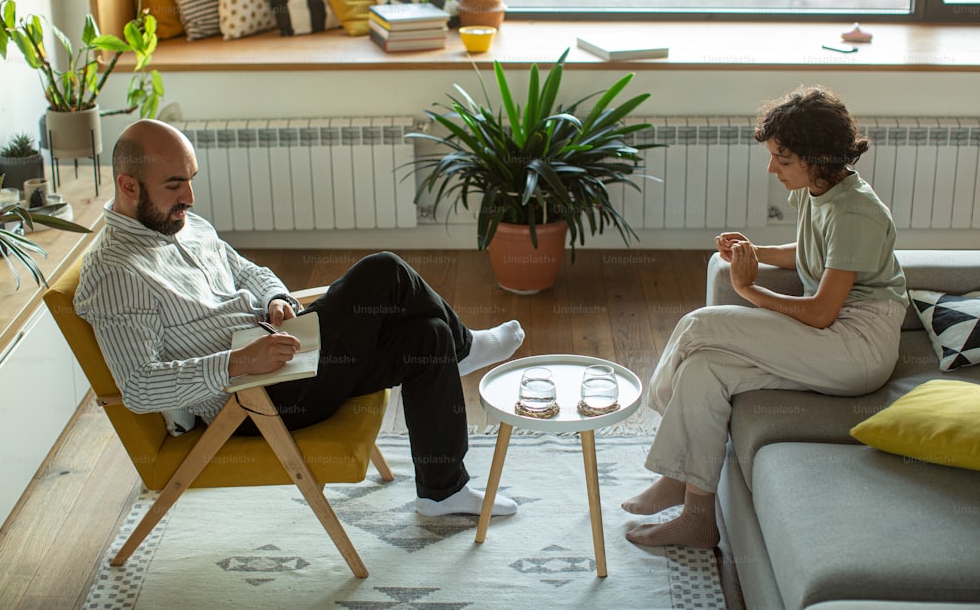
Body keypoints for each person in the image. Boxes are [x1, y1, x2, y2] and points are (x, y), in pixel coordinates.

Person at [75, 118, 526, 517]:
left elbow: (246, 270)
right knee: (383, 270)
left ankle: (442, 492)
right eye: (175, 185)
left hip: (286, 351)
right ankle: (466, 348)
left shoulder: (181, 223)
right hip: (256, 402)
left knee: (428, 338)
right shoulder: (115, 272)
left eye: (191, 180)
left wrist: (274, 296)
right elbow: (137, 386)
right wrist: (243, 362)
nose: (190, 198)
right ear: (128, 186)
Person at [622, 86, 908, 547]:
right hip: (831, 337)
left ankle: (661, 427)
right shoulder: (817, 190)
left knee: (698, 325)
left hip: (857, 346)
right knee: (704, 368)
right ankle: (695, 514)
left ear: (818, 158)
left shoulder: (858, 212)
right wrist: (753, 252)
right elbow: (814, 255)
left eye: (783, 159)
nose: (771, 167)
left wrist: (747, 289)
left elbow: (819, 313)